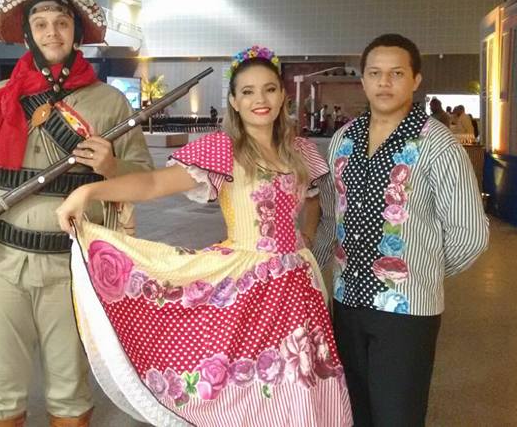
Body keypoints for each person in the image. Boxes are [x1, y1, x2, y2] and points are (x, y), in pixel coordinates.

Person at [56, 46, 353, 426]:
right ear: (234, 101)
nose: (260, 100)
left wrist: (306, 236)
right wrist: (89, 191)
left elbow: (312, 199)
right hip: (250, 285)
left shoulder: (301, 150)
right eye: (247, 92)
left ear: (283, 95)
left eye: (269, 89)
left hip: (299, 288)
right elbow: (153, 184)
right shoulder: (223, 149)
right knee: (253, 387)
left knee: (303, 382)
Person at [0, 0, 152, 427]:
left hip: (70, 268)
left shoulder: (109, 103)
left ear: (76, 33)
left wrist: (112, 166)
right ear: (28, 34)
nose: (52, 32)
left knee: (70, 394)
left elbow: (145, 180)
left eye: (62, 23)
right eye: (41, 23)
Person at [319, 34, 489, 426]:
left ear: (415, 80)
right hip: (347, 303)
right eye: (375, 73)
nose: (384, 82)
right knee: (353, 411)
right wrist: (310, 265)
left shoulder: (437, 143)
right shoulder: (344, 140)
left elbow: (470, 233)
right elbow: (331, 216)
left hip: (406, 312)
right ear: (363, 80)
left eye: (396, 73)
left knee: (397, 415)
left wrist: (421, 272)